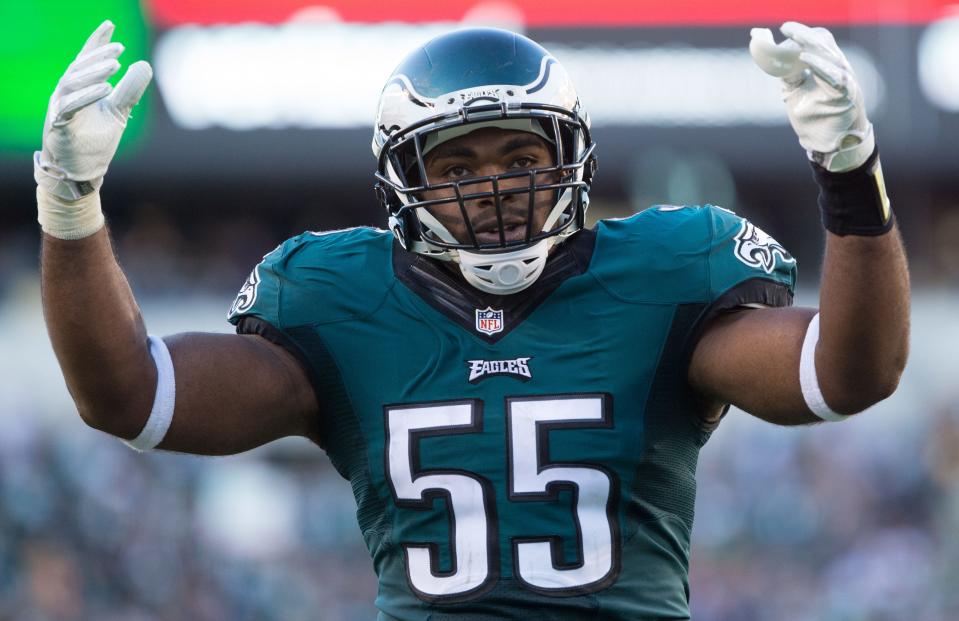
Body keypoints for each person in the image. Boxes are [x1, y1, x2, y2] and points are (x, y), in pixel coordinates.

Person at [37, 20, 909, 620]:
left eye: (522, 155)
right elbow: (130, 394)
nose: (494, 187)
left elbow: (848, 372)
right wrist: (71, 207)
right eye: (456, 165)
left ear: (570, 158)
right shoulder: (339, 300)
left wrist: (846, 168)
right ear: (403, 182)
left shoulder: (661, 277)